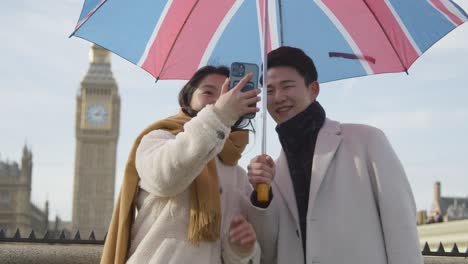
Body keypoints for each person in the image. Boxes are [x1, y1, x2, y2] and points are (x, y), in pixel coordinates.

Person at [248, 47, 423, 264]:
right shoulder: (271, 172)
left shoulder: (367, 141)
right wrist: (261, 198)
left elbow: (401, 227)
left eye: (287, 86)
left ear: (313, 90)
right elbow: (269, 250)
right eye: (270, 90)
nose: (278, 97)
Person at [101, 66, 276, 264]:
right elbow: (165, 178)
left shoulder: (238, 175)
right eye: (208, 92)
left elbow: (237, 253)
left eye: (225, 94)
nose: (219, 100)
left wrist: (242, 250)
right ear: (187, 98)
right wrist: (219, 116)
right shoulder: (158, 139)